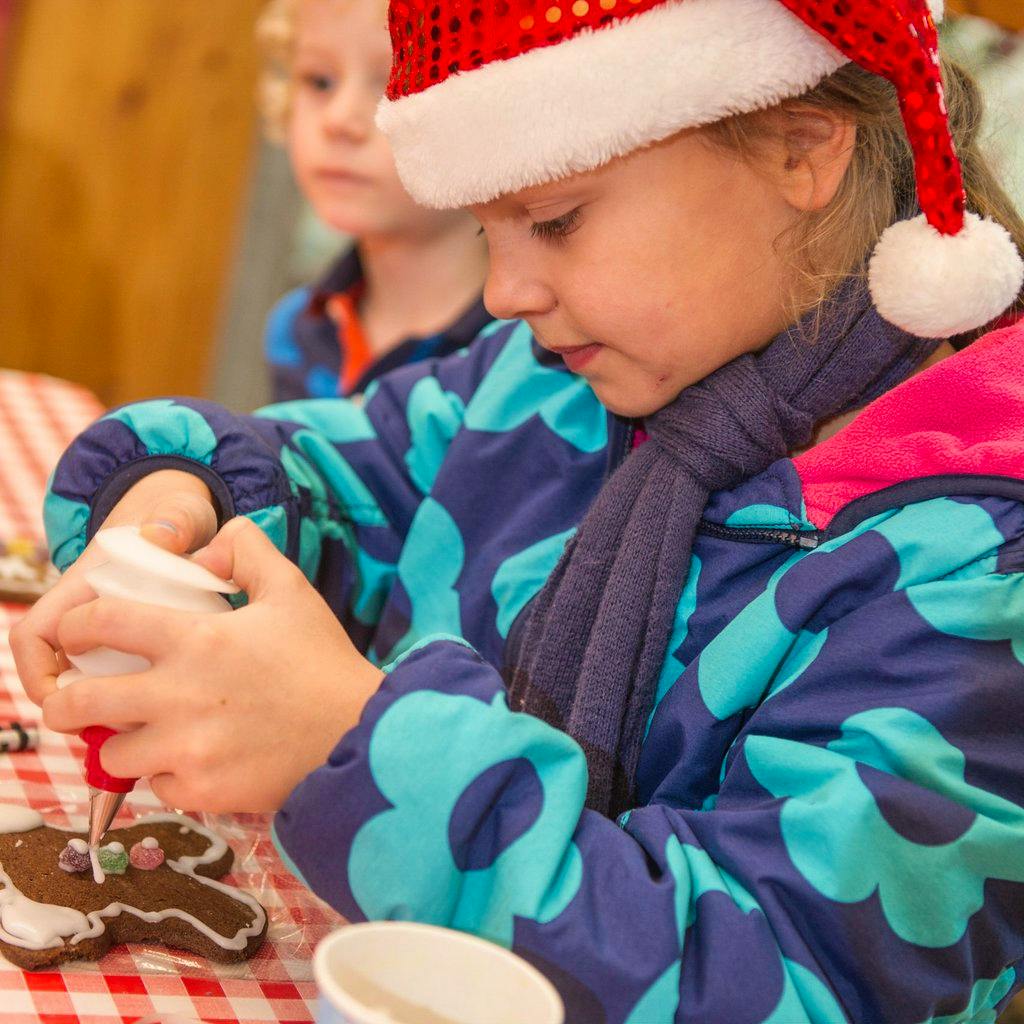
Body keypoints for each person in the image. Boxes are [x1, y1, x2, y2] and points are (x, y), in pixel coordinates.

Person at [14, 1, 1024, 1020]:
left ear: (800, 149)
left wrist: (351, 746)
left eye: (552, 219)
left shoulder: (976, 576)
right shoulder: (551, 387)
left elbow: (781, 980)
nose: (501, 291)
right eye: (484, 227)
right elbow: (323, 478)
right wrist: (170, 506)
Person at [257, 0, 491, 399]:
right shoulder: (295, 330)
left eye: (396, 84)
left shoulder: (531, 350)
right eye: (319, 81)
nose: (339, 120)